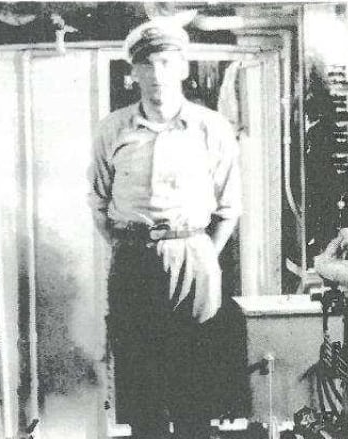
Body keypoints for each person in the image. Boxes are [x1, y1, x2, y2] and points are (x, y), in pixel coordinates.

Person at [87, 19, 242, 439]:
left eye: (165, 62)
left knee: (195, 380)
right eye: (147, 65)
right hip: (133, 257)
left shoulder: (212, 128)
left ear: (183, 68)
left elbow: (229, 208)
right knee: (141, 385)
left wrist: (198, 252)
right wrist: (135, 247)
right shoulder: (113, 129)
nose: (157, 74)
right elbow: (99, 204)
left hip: (194, 254)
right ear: (132, 72)